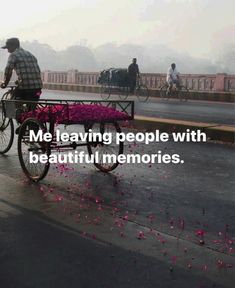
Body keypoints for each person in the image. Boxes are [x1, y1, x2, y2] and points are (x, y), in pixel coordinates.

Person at [0, 38, 42, 133]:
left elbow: (8, 70)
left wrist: (4, 84)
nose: (7, 50)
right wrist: (19, 82)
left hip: (26, 87)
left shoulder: (13, 55)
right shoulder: (30, 54)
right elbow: (35, 71)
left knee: (10, 104)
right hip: (37, 86)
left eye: (8, 47)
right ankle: (31, 125)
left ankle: (23, 123)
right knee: (32, 109)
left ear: (14, 46)